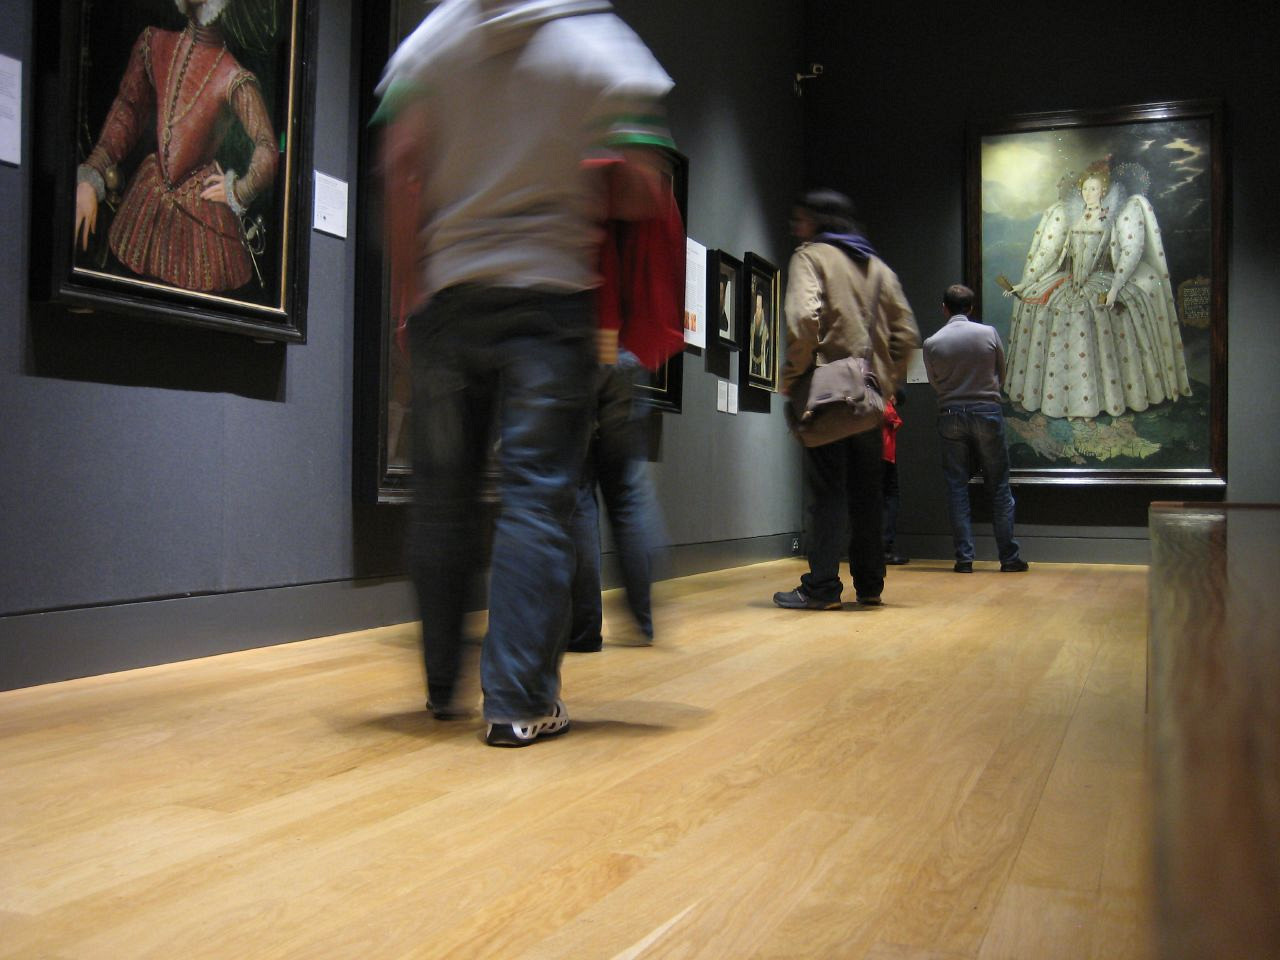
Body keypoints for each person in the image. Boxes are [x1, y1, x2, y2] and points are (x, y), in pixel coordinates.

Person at [376, 0, 674, 747]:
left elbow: (400, 166)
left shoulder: (430, 43)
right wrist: (573, 172)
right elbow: (644, 186)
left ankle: (439, 688)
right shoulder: (602, 46)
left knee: (441, 500)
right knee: (537, 495)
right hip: (550, 303)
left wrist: (411, 298)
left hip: (451, 297)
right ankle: (517, 703)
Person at [772, 190, 919, 610]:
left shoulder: (811, 257)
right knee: (867, 495)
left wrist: (792, 374)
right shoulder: (879, 269)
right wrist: (885, 384)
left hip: (826, 395)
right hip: (868, 402)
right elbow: (907, 335)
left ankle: (821, 588)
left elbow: (803, 318)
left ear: (817, 220)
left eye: (800, 219)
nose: (795, 227)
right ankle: (870, 586)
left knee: (827, 494)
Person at [74, 0, 278, 293]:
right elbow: (128, 112)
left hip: (202, 216)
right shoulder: (154, 43)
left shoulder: (234, 77)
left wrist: (240, 190)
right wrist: (92, 176)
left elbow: (268, 147)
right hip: (145, 200)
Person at [1002, 156, 1191, 419]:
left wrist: (1114, 290)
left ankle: (1102, 398)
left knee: (1088, 313)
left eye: (1093, 189)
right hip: (1070, 280)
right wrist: (1025, 282)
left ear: (1103, 191)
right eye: (1084, 189)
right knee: (1046, 307)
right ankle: (1061, 398)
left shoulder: (1117, 214)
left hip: (1102, 278)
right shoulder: (1071, 215)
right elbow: (1049, 251)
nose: (1088, 193)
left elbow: (1130, 252)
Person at [923, 284, 1029, 574]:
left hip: (950, 413)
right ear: (970, 308)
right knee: (999, 486)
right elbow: (1001, 372)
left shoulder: (932, 342)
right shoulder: (988, 333)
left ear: (944, 308)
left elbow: (934, 382)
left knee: (957, 487)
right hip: (986, 410)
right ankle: (1008, 557)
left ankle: (964, 558)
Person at [565, 350, 663, 652]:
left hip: (575, 357)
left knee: (580, 496)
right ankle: (642, 623)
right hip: (622, 358)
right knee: (626, 499)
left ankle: (584, 631)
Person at [881, 389, 908, 565]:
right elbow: (892, 419)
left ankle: (865, 550)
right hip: (883, 454)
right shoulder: (884, 401)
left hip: (863, 453)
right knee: (890, 497)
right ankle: (884, 549)